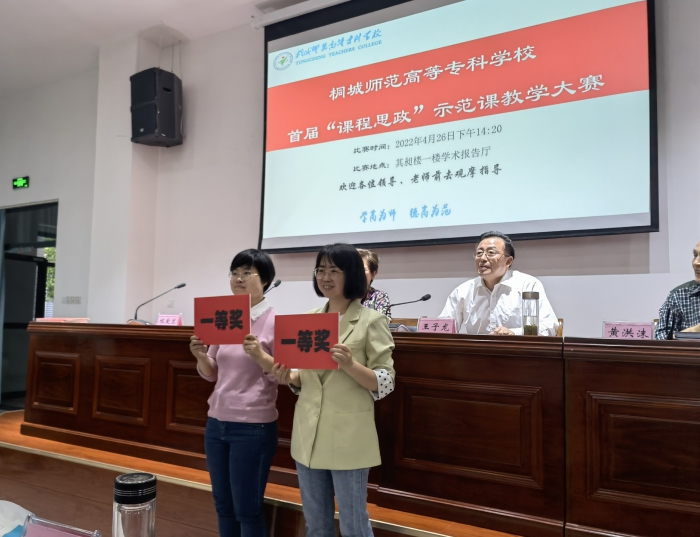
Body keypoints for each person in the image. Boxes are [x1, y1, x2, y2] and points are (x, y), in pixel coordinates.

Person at [272, 243, 395, 537]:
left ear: (351, 274)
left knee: (354, 525)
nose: (325, 277)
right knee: (316, 525)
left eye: (334, 270)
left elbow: (386, 381)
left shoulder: (372, 320)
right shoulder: (309, 319)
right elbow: (306, 376)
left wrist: (350, 365)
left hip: (348, 437)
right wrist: (288, 377)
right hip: (309, 434)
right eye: (320, 270)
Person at [189, 249, 278, 537]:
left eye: (246, 273)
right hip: (217, 423)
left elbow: (282, 375)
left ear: (265, 280)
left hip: (252, 426)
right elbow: (211, 371)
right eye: (235, 273)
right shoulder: (225, 316)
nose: (238, 279)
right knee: (223, 505)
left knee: (247, 510)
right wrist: (201, 355)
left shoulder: (276, 322)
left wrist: (260, 356)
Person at [439, 231, 558, 336]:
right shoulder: (463, 291)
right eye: (479, 253)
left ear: (508, 261)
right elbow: (442, 328)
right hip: (477, 352)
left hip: (518, 351)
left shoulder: (528, 285)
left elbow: (549, 327)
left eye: (491, 253)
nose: (482, 258)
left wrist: (514, 333)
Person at [655, 240, 700, 339]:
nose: (696, 263)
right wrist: (693, 332)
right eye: (695, 255)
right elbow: (661, 339)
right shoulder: (679, 296)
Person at [358, 248, 391, 321]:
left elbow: (382, 323)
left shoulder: (379, 297)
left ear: (373, 274)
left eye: (362, 270)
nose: (357, 273)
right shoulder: (342, 295)